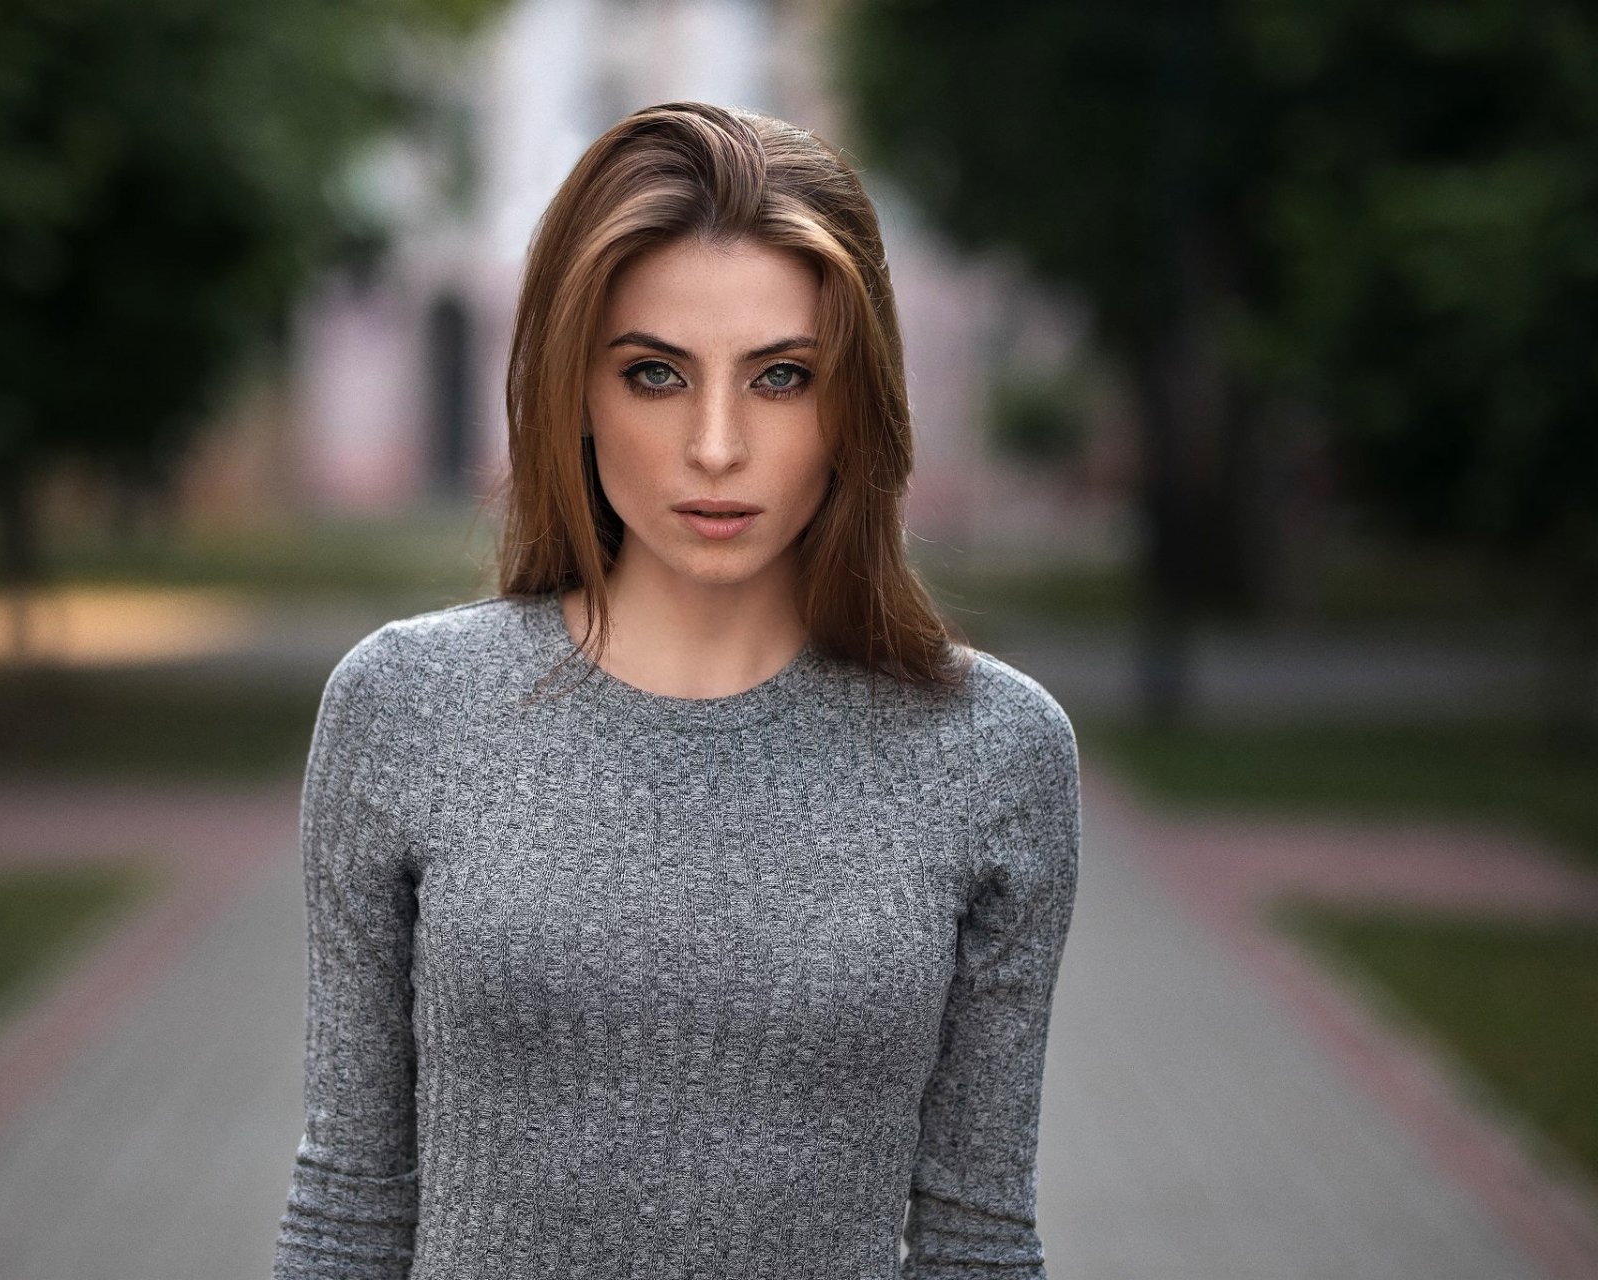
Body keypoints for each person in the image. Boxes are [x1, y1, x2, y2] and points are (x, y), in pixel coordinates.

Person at [271, 100, 1081, 1280]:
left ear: (857, 401)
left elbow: (978, 1237)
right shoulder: (407, 705)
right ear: (573, 390)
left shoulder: (993, 749)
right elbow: (349, 1208)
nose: (715, 444)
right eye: (654, 373)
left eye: (782, 377)